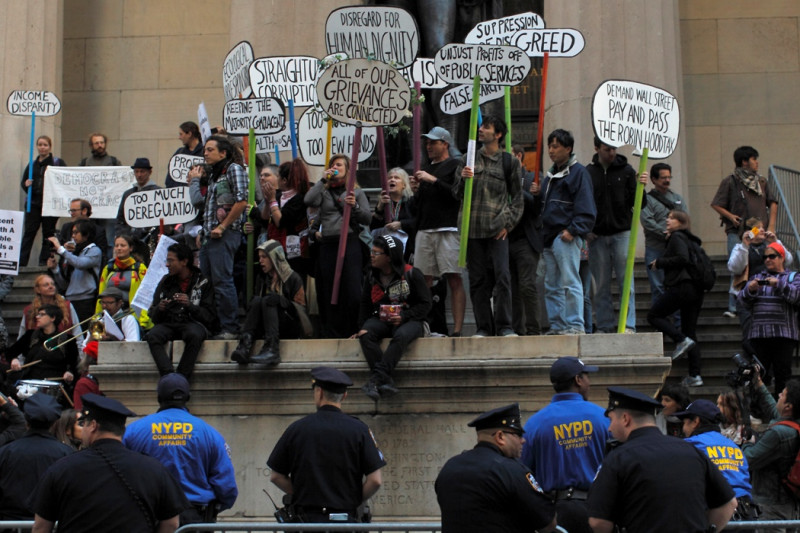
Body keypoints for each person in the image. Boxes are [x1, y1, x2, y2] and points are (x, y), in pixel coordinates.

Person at [587, 387, 738, 533]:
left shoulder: (618, 458)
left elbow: (598, 521)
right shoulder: (691, 451)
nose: (609, 428)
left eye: (611, 420)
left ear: (626, 419)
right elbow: (729, 503)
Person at [31, 393, 189, 532]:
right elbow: (172, 523)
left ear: (93, 426)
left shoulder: (62, 468)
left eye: (84, 423)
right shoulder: (154, 468)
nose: (84, 429)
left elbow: (41, 526)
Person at [267, 367, 385, 525]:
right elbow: (375, 480)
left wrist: (304, 495)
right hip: (345, 523)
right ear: (344, 395)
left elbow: (276, 476)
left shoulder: (297, 429)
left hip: (306, 523)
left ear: (319, 392)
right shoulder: (359, 430)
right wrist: (352, 499)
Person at [123, 374, 238, 526]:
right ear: (188, 397)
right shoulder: (209, 434)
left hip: (147, 516)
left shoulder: (133, 432)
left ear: (158, 397)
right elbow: (226, 485)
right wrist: (213, 509)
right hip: (193, 518)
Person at [436, 403, 557, 533]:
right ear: (500, 437)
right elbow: (547, 523)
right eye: (518, 435)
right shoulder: (511, 470)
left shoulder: (450, 467)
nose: (523, 441)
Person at [453, 115, 523, 337]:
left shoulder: (509, 162)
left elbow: (518, 198)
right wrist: (463, 179)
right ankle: (484, 326)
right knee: (477, 281)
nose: (480, 130)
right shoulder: (468, 159)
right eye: (481, 126)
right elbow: (456, 194)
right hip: (472, 231)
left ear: (498, 134)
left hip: (497, 229)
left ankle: (504, 326)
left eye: (486, 127)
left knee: (503, 277)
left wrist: (508, 224)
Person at [521, 357, 609, 533]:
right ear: (578, 380)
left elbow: (524, 474)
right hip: (598, 512)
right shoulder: (604, 418)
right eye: (587, 377)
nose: (589, 383)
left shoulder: (534, 424)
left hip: (554, 515)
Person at [355, 235, 431, 401]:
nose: (372, 256)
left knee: (401, 336)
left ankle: (376, 379)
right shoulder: (371, 276)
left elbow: (425, 304)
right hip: (381, 319)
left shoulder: (411, 274)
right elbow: (365, 304)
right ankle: (385, 380)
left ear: (389, 257)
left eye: (376, 252)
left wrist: (404, 316)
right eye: (371, 251)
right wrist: (360, 327)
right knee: (366, 334)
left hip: (411, 320)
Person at [304, 154, 372, 338]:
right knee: (326, 289)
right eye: (333, 164)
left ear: (348, 170)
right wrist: (322, 179)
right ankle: (331, 331)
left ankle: (353, 328)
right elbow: (309, 201)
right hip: (328, 245)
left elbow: (367, 218)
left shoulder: (356, 192)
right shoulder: (324, 192)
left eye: (339, 164)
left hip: (349, 243)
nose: (335, 167)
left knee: (350, 289)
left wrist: (355, 206)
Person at [586, 138, 647, 333]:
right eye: (607, 150)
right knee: (601, 284)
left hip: (621, 232)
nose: (611, 153)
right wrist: (587, 228)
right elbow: (584, 202)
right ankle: (604, 325)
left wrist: (641, 188)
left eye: (613, 149)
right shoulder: (589, 173)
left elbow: (639, 203)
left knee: (625, 281)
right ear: (597, 149)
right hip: (598, 234)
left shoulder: (627, 171)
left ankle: (628, 324)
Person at [540, 129, 596, 335]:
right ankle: (557, 325)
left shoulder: (578, 173)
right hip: (550, 236)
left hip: (564, 235)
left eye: (555, 146)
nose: (551, 151)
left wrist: (573, 230)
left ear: (568, 148)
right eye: (550, 146)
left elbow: (586, 206)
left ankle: (574, 325)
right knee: (552, 284)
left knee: (569, 281)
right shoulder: (551, 174)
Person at [711, 145, 778, 318]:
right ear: (744, 161)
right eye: (754, 159)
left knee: (765, 264)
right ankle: (734, 305)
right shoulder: (731, 181)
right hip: (738, 231)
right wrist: (731, 216)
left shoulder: (761, 182)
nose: (757, 163)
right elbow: (716, 204)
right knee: (738, 266)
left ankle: (762, 299)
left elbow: (773, 202)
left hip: (760, 231)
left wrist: (771, 226)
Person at [412, 126, 465, 337]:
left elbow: (456, 194)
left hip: (448, 228)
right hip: (425, 228)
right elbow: (419, 206)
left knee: (454, 277)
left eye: (433, 142)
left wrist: (431, 180)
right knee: (422, 280)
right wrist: (416, 191)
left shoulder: (455, 165)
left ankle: (458, 329)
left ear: (445, 143)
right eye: (427, 142)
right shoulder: (426, 168)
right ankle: (424, 325)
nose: (429, 146)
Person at [193, 135, 248, 340]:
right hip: (210, 237)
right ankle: (216, 325)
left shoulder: (233, 170)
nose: (205, 153)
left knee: (223, 281)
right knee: (209, 283)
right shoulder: (215, 175)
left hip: (224, 235)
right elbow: (209, 207)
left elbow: (242, 201)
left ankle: (230, 328)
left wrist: (223, 227)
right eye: (205, 150)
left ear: (223, 153)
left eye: (209, 150)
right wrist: (203, 232)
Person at [674, 399, 758, 523]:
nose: (684, 428)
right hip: (746, 514)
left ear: (696, 422)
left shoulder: (690, 445)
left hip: (717, 514)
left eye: (685, 423)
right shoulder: (733, 446)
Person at [647, 210, 705, 387]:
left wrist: (659, 262)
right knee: (690, 331)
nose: (667, 220)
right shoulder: (689, 239)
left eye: (672, 218)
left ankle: (680, 340)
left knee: (654, 316)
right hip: (696, 289)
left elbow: (681, 258)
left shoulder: (677, 237)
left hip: (682, 286)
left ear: (681, 222)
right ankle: (695, 375)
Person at [230, 240, 309, 366]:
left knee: (269, 300)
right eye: (259, 257)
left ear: (274, 257)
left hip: (289, 326)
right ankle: (244, 346)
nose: (260, 260)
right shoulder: (262, 278)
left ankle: (272, 349)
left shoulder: (293, 277)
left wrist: (283, 301)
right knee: (257, 300)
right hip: (268, 323)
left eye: (264, 257)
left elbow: (302, 310)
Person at [146, 243, 218, 379]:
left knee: (195, 335)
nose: (167, 265)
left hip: (192, 323)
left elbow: (210, 317)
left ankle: (182, 377)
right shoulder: (165, 281)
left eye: (171, 260)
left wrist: (190, 305)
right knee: (153, 335)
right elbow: (153, 316)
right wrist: (160, 309)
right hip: (170, 323)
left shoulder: (203, 281)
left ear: (184, 261)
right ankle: (167, 375)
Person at [738, 241, 800, 397]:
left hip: (784, 334)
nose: (767, 260)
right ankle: (758, 412)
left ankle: (782, 411)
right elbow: (742, 301)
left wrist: (778, 284)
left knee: (783, 374)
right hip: (760, 334)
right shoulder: (757, 277)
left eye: (772, 256)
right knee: (759, 376)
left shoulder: (793, 277)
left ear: (782, 258)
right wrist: (750, 290)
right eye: (765, 257)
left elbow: (796, 296)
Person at [0, 393, 73, 521]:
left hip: (10, 523)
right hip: (51, 524)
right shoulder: (67, 454)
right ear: (54, 422)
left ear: (26, 420)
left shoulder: (6, 452)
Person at [741, 375, 800, 526]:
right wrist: (759, 383)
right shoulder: (794, 425)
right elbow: (774, 410)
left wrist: (748, 443)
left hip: (772, 506)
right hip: (791, 502)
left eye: (782, 394)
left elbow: (748, 460)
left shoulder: (777, 434)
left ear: (788, 406)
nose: (779, 395)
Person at [640, 162, 687, 310]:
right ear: (653, 180)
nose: (667, 180)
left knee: (676, 287)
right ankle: (661, 324)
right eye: (663, 178)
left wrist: (675, 235)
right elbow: (647, 221)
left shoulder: (677, 198)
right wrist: (665, 233)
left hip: (675, 250)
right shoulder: (647, 200)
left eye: (669, 177)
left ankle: (677, 326)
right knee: (658, 288)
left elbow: (685, 219)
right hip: (655, 249)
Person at [508, 144, 544, 336]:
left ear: (519, 156)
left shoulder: (532, 178)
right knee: (510, 286)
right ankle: (515, 328)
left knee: (527, 285)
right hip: (505, 239)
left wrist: (525, 193)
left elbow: (538, 208)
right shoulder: (501, 178)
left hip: (526, 240)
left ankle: (533, 328)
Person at [261, 158, 313, 278]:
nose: (276, 179)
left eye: (278, 176)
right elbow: (264, 218)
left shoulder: (300, 199)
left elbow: (281, 222)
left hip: (294, 251)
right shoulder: (278, 195)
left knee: (293, 282)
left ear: (284, 180)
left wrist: (273, 201)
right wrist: (267, 200)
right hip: (275, 248)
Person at [19, 135, 67, 267]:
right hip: (33, 204)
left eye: (45, 145)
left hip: (50, 205)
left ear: (50, 147)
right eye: (40, 145)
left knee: (48, 234)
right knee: (29, 232)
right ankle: (22, 262)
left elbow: (66, 181)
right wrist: (26, 184)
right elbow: (23, 183)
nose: (42, 147)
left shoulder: (57, 163)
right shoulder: (32, 165)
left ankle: (43, 262)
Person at [47, 219, 103, 323]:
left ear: (86, 234)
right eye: (72, 232)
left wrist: (61, 249)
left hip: (86, 301)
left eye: (76, 232)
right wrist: (55, 269)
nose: (73, 236)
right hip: (70, 300)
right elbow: (64, 284)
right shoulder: (72, 253)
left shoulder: (94, 251)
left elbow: (80, 264)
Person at [6, 304, 78, 384]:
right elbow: (10, 352)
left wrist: (69, 372)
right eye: (38, 314)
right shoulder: (30, 335)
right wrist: (14, 359)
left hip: (55, 383)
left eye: (42, 314)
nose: (37, 317)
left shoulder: (68, 339)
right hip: (30, 381)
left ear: (52, 318)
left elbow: (74, 365)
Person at [96, 234, 151, 329]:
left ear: (131, 248)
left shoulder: (140, 268)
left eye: (123, 245)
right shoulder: (108, 268)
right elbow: (101, 294)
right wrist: (97, 317)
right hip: (111, 316)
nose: (119, 248)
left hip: (133, 317)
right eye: (116, 246)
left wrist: (143, 320)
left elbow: (146, 295)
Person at [79, 132, 121, 258]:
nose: (100, 145)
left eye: (102, 143)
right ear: (91, 146)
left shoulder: (114, 162)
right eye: (96, 143)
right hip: (90, 209)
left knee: (109, 240)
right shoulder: (84, 163)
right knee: (90, 239)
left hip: (109, 209)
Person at [371, 167, 416, 262]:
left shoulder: (411, 201)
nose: (392, 179)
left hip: (407, 248)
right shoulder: (383, 202)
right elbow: (373, 227)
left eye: (396, 177)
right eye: (389, 178)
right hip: (386, 248)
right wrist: (379, 208)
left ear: (404, 185)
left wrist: (401, 224)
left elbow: (417, 221)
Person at [18, 274, 81, 340]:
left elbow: (77, 333)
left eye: (52, 284)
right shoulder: (29, 310)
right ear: (38, 289)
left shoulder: (67, 306)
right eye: (46, 285)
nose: (51, 286)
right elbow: (21, 337)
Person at [115, 157, 161, 239]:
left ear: (149, 172)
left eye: (142, 171)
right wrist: (123, 235)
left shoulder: (158, 192)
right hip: (129, 238)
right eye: (136, 171)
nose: (139, 175)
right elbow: (120, 219)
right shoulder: (128, 194)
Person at [165, 121, 203, 188]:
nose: (179, 137)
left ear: (189, 134)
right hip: (180, 194)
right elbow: (170, 176)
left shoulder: (205, 152)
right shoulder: (179, 152)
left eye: (181, 134)